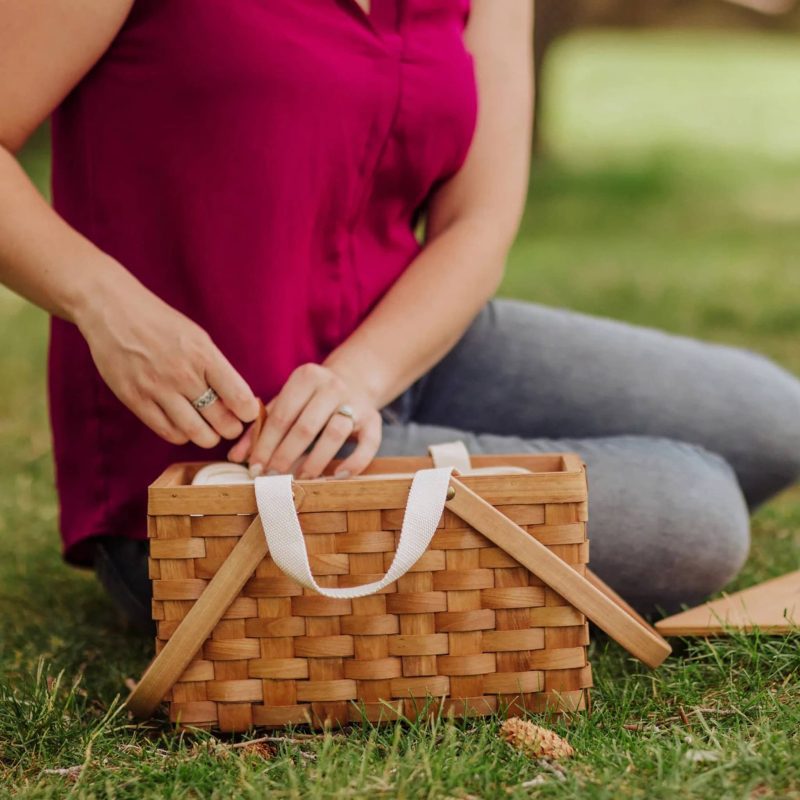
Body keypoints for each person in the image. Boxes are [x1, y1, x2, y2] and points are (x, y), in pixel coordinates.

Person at [1, 1, 798, 633]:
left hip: (402, 349)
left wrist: (362, 376)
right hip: (226, 441)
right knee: (693, 519)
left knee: (775, 419)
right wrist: (103, 304)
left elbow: (476, 223)